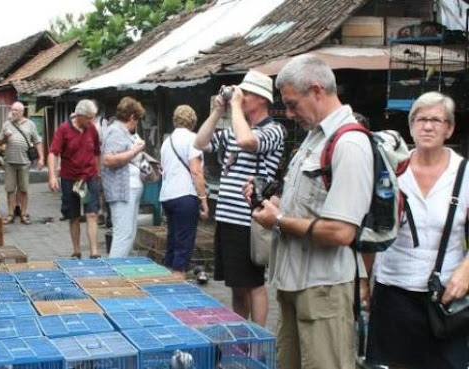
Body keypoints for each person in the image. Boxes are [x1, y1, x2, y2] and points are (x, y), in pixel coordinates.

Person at [248, 54, 373, 369]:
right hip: (293, 283)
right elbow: (306, 208)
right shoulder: (314, 139)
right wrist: (272, 205)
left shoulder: (350, 143)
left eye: (292, 104)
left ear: (317, 90)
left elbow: (342, 231)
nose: (289, 114)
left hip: (323, 288)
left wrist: (277, 221)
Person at [365, 92, 469, 369]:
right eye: (421, 119)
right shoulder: (393, 171)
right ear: (410, 126)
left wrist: (466, 270)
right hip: (393, 292)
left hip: (447, 298)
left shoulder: (464, 173)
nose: (428, 126)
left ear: (449, 128)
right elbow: (374, 229)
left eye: (437, 120)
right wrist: (363, 281)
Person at [193, 70, 286, 325]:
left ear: (260, 99)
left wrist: (234, 105)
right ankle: (240, 334)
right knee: (236, 285)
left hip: (250, 221)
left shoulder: (273, 130)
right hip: (226, 217)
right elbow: (200, 143)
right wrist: (216, 112)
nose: (241, 98)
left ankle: (258, 340)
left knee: (253, 284)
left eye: (245, 94)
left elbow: (247, 140)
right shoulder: (233, 130)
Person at [48, 100, 101, 259]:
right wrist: (52, 176)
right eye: (89, 118)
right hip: (70, 178)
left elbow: (97, 152)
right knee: (74, 216)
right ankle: (77, 250)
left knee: (92, 213)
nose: (92, 122)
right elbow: (53, 153)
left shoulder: (92, 129)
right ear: (80, 116)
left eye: (93, 118)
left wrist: (98, 174)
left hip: (89, 177)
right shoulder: (64, 130)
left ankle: (94, 252)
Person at [159, 105, 208, 278]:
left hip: (167, 196)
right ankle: (178, 281)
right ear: (193, 122)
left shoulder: (167, 141)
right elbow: (196, 171)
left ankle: (169, 278)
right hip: (185, 195)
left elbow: (163, 169)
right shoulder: (194, 140)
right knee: (184, 242)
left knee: (173, 239)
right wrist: (203, 200)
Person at [102, 96, 146, 258]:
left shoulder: (124, 131)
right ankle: (113, 272)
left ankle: (120, 268)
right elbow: (108, 159)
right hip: (121, 189)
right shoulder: (116, 131)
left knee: (129, 234)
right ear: (132, 117)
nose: (137, 123)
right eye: (137, 119)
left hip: (129, 189)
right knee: (123, 234)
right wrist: (135, 151)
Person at [0, 102, 44, 225]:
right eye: (12, 110)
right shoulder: (6, 124)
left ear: (22, 112)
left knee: (23, 189)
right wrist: (5, 137)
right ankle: (10, 214)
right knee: (10, 190)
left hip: (24, 162)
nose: (13, 112)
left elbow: (37, 141)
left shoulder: (30, 124)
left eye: (16, 110)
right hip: (9, 162)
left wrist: (41, 158)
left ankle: (23, 214)